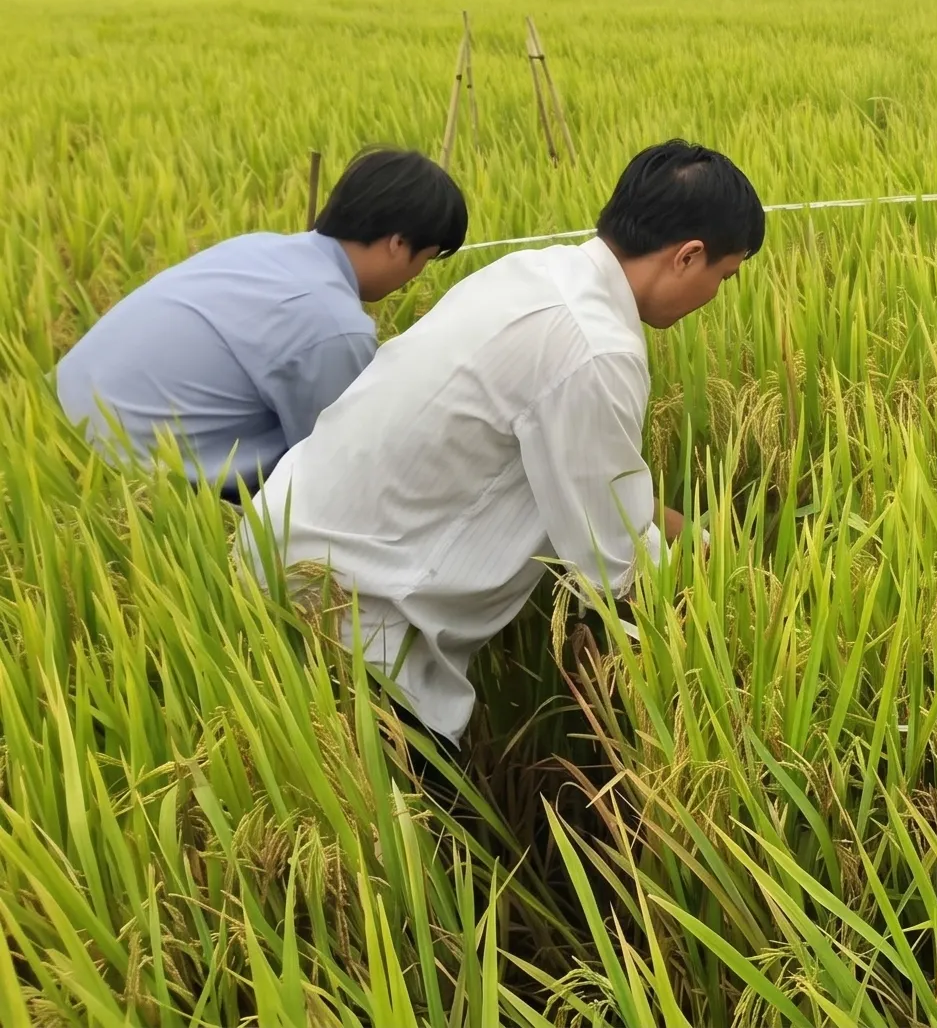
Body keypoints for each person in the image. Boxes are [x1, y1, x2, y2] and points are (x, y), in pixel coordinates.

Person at [237, 139, 764, 761]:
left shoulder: (534, 273)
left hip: (279, 541)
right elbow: (613, 559)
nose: (716, 297)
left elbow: (617, 497)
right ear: (689, 256)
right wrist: (741, 600)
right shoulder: (596, 348)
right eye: (723, 278)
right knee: (414, 839)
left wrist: (711, 541)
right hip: (351, 613)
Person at [54, 148, 467, 497]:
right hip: (131, 479)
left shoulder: (257, 247)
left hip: (61, 418)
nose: (416, 276)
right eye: (426, 260)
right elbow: (339, 466)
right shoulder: (333, 326)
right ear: (398, 244)